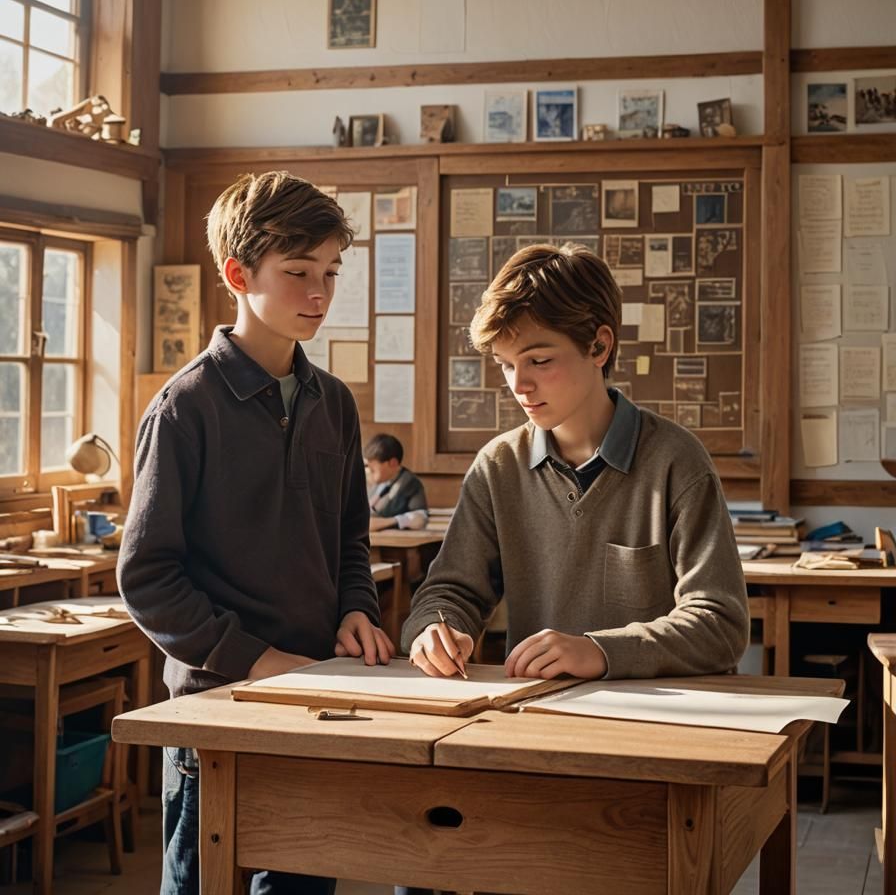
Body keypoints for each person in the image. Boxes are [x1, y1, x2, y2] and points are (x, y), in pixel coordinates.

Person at [118, 171, 394, 895]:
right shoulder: (185, 409)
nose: (319, 294)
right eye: (298, 273)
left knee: (303, 885)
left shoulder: (333, 403)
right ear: (238, 274)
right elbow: (147, 577)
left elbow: (350, 541)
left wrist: (357, 609)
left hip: (319, 697)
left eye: (331, 274)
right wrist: (255, 657)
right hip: (219, 712)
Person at [402, 241, 749, 686]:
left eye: (539, 361)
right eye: (505, 365)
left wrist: (601, 651)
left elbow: (721, 625)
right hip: (535, 716)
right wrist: (436, 626)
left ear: (599, 346)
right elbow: (451, 591)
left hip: (660, 721)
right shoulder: (498, 466)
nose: (519, 384)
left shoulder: (676, 461)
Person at [365, 433, 429, 532]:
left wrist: (397, 521)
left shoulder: (409, 482)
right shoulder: (372, 482)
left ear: (393, 463)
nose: (368, 472)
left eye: (373, 470)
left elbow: (420, 518)